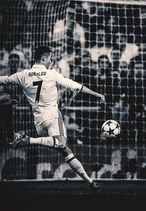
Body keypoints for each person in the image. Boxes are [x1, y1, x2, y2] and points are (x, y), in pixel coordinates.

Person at [0, 45, 105, 190]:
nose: (51, 60)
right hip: (52, 118)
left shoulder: (22, 75)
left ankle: (89, 181)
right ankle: (26, 140)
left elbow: (2, 80)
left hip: (38, 123)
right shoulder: (52, 74)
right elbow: (75, 86)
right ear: (43, 58)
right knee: (61, 143)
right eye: (50, 58)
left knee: (65, 150)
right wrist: (97, 94)